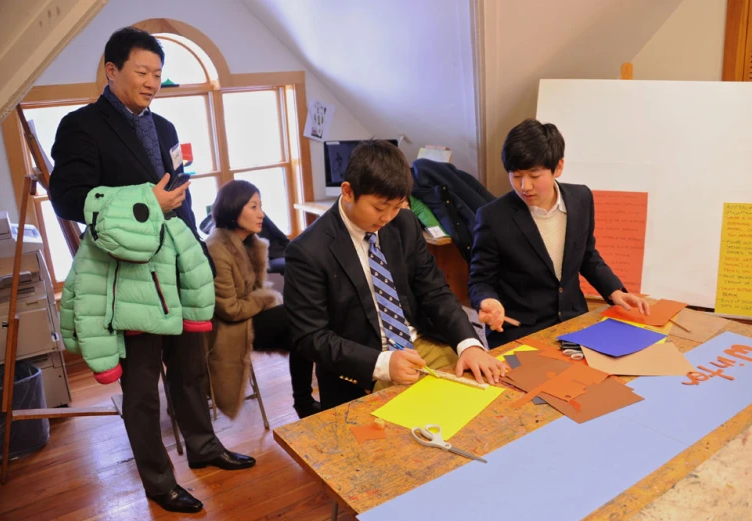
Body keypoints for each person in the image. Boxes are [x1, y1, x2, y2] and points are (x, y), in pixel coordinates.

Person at [49, 27, 254, 514]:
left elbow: (176, 196)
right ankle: (159, 482)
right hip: (129, 276)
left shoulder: (162, 127)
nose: (151, 82)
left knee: (189, 370)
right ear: (112, 70)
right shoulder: (80, 125)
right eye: (141, 72)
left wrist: (198, 254)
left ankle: (204, 449)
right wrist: (146, 201)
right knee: (140, 387)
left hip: (177, 268)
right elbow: (68, 198)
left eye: (158, 74)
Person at [284, 140, 508, 410]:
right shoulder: (308, 250)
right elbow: (311, 337)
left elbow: (434, 291)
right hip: (363, 365)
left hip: (423, 343)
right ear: (348, 192)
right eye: (380, 207)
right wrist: (382, 364)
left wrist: (468, 344)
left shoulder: (404, 223)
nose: (388, 217)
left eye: (397, 205)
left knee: (489, 400)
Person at [469, 119, 650, 348]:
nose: (525, 186)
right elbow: (480, 279)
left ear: (558, 167)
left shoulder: (581, 199)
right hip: (520, 331)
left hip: (574, 321)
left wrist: (614, 291)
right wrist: (488, 301)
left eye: (534, 176)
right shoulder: (493, 216)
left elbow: (586, 255)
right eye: (516, 176)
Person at [205, 180, 320, 419]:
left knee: (303, 332)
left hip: (250, 317)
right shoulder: (216, 247)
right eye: (254, 207)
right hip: (229, 328)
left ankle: (308, 402)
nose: (261, 214)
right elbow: (229, 309)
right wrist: (267, 299)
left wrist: (263, 300)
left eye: (261, 206)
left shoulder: (251, 243)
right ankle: (304, 402)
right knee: (297, 316)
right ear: (234, 209)